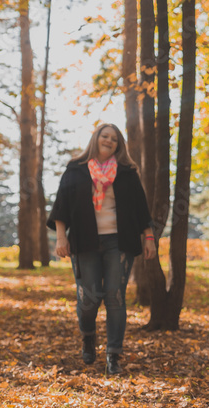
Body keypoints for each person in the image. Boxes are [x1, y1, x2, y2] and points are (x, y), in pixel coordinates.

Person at [47, 124, 155, 375]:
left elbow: (141, 209)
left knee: (115, 297)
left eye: (114, 139)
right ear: (95, 138)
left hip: (120, 242)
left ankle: (113, 355)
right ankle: (88, 336)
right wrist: (61, 238)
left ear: (119, 145)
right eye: (105, 136)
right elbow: (61, 204)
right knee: (88, 298)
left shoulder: (127, 172)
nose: (109, 141)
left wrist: (149, 237)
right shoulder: (76, 169)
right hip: (85, 242)